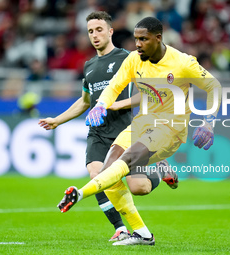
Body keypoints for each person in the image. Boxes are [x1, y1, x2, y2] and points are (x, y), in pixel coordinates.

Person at [58, 17, 222, 245]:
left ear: (158, 38)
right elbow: (114, 86)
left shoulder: (183, 62)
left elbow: (214, 86)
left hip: (170, 128)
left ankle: (79, 194)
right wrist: (102, 104)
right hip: (142, 124)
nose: (138, 44)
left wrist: (209, 121)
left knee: (122, 163)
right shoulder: (134, 60)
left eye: (143, 39)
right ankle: (142, 233)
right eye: (136, 39)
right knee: (113, 177)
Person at [39, 11, 154, 242]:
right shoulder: (89, 66)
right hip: (98, 134)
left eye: (99, 29)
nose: (95, 35)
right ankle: (121, 229)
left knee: (139, 187)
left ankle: (160, 170)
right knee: (97, 175)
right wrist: (57, 120)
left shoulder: (127, 58)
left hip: (124, 131)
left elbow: (145, 94)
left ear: (110, 31)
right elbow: (84, 101)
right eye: (90, 31)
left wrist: (112, 105)